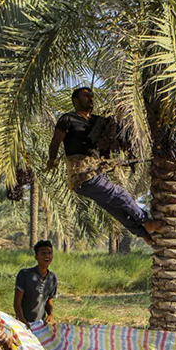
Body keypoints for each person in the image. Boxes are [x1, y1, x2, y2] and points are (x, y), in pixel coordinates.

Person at [46, 87, 163, 245]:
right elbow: (55, 142)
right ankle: (146, 222)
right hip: (83, 177)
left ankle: (144, 235)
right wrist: (52, 159)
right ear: (75, 101)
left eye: (91, 96)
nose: (90, 98)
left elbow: (115, 135)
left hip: (98, 174)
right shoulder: (68, 119)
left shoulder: (98, 122)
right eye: (86, 96)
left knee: (115, 209)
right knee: (120, 194)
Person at [10, 240, 58, 350]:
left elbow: (49, 302)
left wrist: (51, 316)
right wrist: (23, 325)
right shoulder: (25, 275)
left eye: (50, 253)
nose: (47, 256)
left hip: (41, 330)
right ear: (36, 256)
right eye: (43, 252)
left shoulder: (52, 278)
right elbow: (17, 304)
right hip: (22, 328)